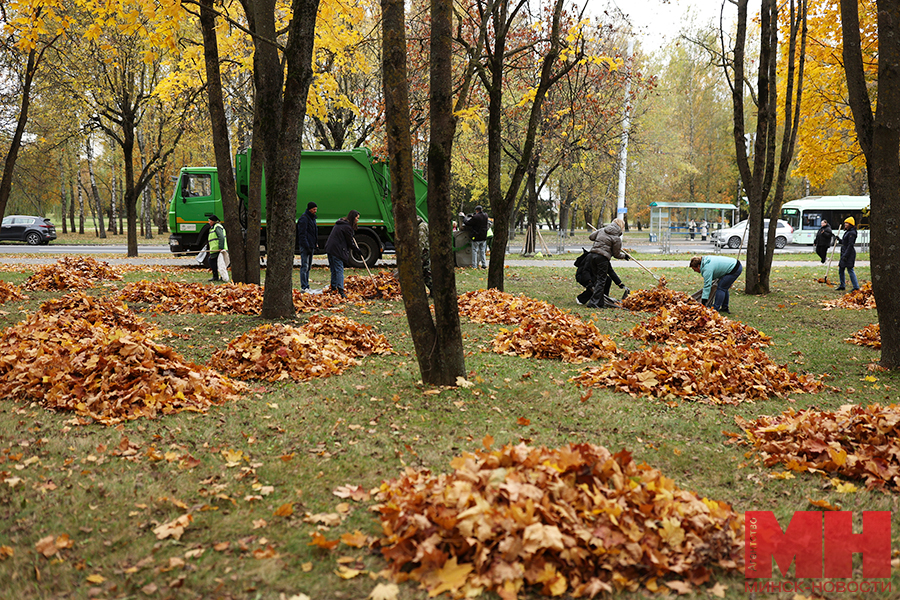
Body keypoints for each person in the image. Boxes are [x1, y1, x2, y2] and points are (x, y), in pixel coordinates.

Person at [584, 218, 629, 308]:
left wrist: (599, 233)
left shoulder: (602, 230)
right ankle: (593, 303)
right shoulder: (616, 238)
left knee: (598, 280)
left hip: (592, 255)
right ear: (621, 226)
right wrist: (624, 256)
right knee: (601, 281)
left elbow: (591, 237)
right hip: (602, 258)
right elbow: (616, 254)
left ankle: (600, 303)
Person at [324, 210, 359, 298]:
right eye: (357, 218)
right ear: (353, 218)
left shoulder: (341, 223)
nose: (358, 220)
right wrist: (357, 250)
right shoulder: (347, 227)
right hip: (336, 250)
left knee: (334, 270)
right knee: (339, 269)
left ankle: (333, 288)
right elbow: (350, 242)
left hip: (330, 248)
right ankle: (340, 290)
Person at [296, 202, 318, 292]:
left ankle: (307, 285)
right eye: (313, 209)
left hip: (311, 245)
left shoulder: (312, 218)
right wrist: (307, 246)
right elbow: (302, 234)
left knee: (308, 266)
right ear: (309, 209)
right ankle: (304, 286)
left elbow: (314, 232)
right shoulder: (304, 219)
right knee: (304, 266)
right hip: (306, 246)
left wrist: (315, 243)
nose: (315, 211)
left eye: (316, 209)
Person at [836, 216, 860, 291]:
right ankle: (842, 285)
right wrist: (839, 240)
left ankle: (856, 287)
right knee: (841, 269)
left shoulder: (852, 233)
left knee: (850, 270)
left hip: (849, 254)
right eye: (845, 223)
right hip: (844, 252)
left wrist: (846, 255)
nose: (845, 225)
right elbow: (844, 242)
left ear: (850, 224)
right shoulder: (848, 232)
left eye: (847, 223)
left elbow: (850, 245)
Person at [206, 213, 227, 282]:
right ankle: (217, 276)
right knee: (215, 262)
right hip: (214, 249)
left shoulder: (217, 227)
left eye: (210, 221)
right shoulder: (213, 228)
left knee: (213, 261)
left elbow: (221, 237)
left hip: (218, 249)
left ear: (213, 221)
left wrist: (220, 247)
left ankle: (216, 277)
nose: (209, 222)